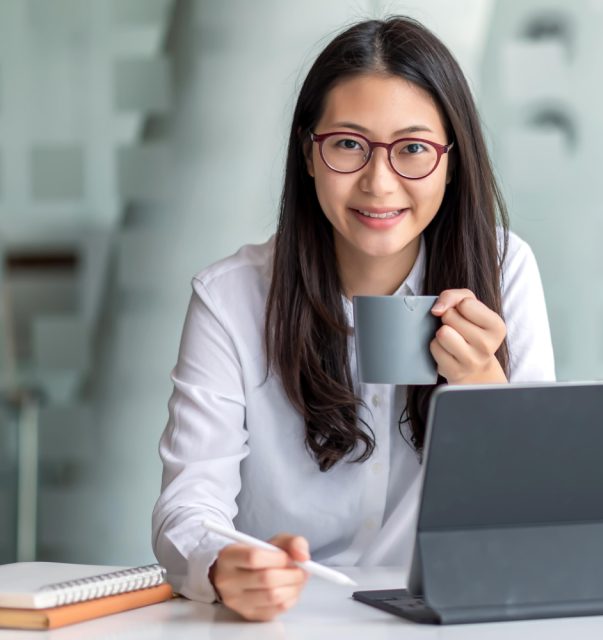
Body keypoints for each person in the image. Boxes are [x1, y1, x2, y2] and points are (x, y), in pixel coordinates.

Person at [152, 15, 555, 622]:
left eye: (414, 149)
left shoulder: (504, 270)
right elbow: (188, 506)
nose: (379, 182)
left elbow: (543, 518)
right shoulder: (231, 298)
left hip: (449, 616)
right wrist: (221, 565)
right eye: (348, 144)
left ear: (453, 161)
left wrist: (486, 397)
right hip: (289, 619)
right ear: (308, 154)